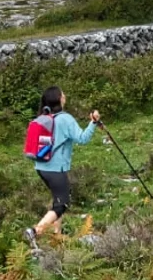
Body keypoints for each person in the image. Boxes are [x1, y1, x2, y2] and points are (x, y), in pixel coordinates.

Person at [24, 86, 100, 247]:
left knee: (57, 200)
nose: (65, 96)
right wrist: (93, 123)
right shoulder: (65, 119)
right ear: (59, 99)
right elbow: (82, 138)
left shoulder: (44, 116)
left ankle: (56, 236)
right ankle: (35, 231)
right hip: (55, 169)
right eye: (62, 94)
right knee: (62, 203)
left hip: (41, 166)